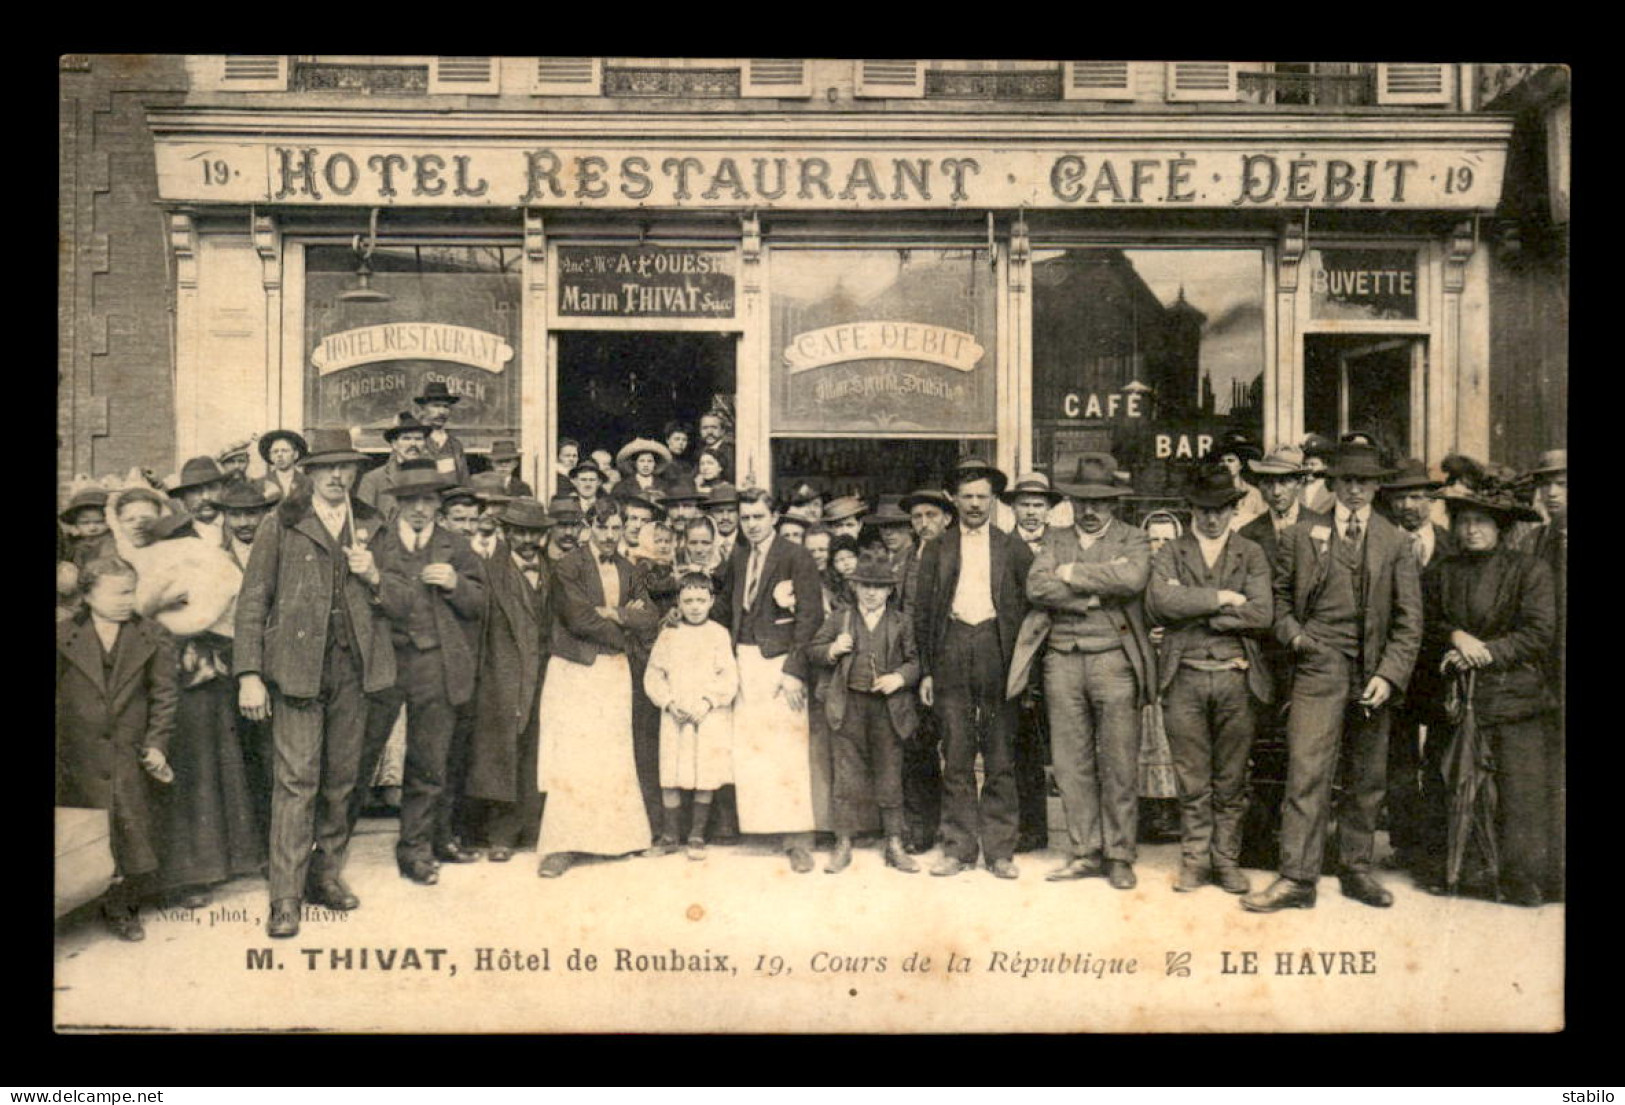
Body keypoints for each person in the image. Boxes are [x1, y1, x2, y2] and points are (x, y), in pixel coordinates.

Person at [1242, 441, 1423, 913]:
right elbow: (1277, 601)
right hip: (1317, 668)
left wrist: (1389, 674)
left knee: (1367, 777)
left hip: (1373, 674)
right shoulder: (1302, 534)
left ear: (1377, 485)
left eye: (1365, 481)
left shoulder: (1394, 541)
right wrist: (1296, 637)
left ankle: (1357, 870)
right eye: (1348, 481)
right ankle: (1297, 878)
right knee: (1306, 773)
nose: (1357, 490)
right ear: (1334, 485)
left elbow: (1410, 622)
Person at [233, 427, 397, 939]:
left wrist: (374, 578)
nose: (336, 476)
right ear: (309, 473)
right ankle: (285, 896)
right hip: (297, 670)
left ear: (355, 473)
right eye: (326, 467)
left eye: (345, 468)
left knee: (343, 782)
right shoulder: (281, 523)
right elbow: (253, 601)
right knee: (296, 781)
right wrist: (250, 674)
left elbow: (403, 601)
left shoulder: (371, 524)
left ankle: (325, 875)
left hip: (355, 669)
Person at [1418, 479, 1555, 906]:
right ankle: (1456, 869)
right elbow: (1426, 622)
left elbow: (1538, 632)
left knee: (1519, 790)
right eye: (1464, 522)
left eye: (1482, 522)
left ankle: (1519, 877)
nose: (1471, 530)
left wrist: (1485, 652)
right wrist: (1456, 636)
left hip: (1514, 695)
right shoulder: (1441, 572)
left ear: (1501, 527)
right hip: (1458, 697)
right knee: (1451, 780)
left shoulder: (1529, 571)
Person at [1023, 453, 1154, 890]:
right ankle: (1084, 850)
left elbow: (1133, 579)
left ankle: (1119, 854)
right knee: (1070, 760)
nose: (1091, 511)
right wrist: (1094, 594)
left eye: (1100, 502)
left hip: (1114, 661)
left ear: (1114, 503)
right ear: (1071, 503)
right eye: (1082, 502)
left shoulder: (1133, 540)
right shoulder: (1054, 538)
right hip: (1061, 660)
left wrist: (1073, 572)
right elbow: (1036, 586)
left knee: (1118, 759)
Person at [1145, 467, 1274, 896]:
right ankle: (1195, 860)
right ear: (1192, 509)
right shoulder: (1172, 552)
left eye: (1221, 510)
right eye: (1204, 510)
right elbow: (1161, 602)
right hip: (1184, 678)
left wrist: (1194, 611)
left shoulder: (1251, 553)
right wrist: (1222, 598)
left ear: (1234, 509)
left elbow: (1261, 614)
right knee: (1192, 776)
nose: (1212, 518)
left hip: (1237, 677)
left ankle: (1227, 860)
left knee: (1231, 778)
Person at [913, 458, 1032, 879]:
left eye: (983, 496)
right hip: (951, 648)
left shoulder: (1012, 547)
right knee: (957, 753)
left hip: (997, 651)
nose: (976, 504)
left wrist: (1021, 668)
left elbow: (1028, 611)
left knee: (1000, 753)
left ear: (994, 499)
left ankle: (999, 851)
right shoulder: (937, 548)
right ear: (954, 500)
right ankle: (958, 848)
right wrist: (926, 670)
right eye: (968, 496)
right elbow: (923, 613)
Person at [370, 463, 488, 884]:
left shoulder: (456, 546)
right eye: (409, 500)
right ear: (397, 503)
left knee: (428, 759)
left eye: (427, 500)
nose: (419, 509)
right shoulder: (377, 543)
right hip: (382, 660)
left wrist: (457, 583)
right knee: (360, 755)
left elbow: (480, 604)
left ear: (439, 503)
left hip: (434, 662)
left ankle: (416, 849)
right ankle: (325, 857)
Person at [57, 556, 178, 941]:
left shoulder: (152, 635)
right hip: (75, 753)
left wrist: (157, 744)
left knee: (128, 827)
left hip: (129, 749)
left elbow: (164, 696)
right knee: (83, 828)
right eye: (118, 592)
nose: (128, 600)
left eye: (131, 591)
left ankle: (122, 904)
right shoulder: (63, 636)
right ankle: (83, 899)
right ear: (89, 594)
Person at [536, 499, 658, 877]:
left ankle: (614, 839)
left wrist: (618, 613)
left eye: (615, 528)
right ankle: (561, 847)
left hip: (614, 672)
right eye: (602, 527)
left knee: (612, 753)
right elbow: (579, 619)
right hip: (576, 668)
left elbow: (650, 615)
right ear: (589, 526)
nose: (608, 536)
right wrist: (624, 629)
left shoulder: (628, 567)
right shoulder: (567, 567)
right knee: (573, 756)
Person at [728, 488, 827, 872]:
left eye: (757, 517)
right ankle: (763, 828)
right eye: (745, 518)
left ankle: (797, 837)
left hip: (781, 662)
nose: (751, 524)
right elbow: (727, 605)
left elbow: (811, 617)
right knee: (754, 747)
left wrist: (794, 670)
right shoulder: (739, 556)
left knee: (788, 747)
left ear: (774, 517)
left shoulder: (795, 555)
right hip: (745, 658)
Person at [808, 550, 922, 874]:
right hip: (848, 705)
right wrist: (832, 649)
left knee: (890, 774)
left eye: (879, 586)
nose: (871, 592)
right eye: (865, 585)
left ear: (890, 590)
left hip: (887, 709)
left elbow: (915, 661)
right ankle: (843, 843)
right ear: (855, 587)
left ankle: (895, 843)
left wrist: (898, 677)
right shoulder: (840, 619)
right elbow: (812, 650)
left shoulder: (902, 622)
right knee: (846, 776)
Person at [1379, 457, 1457, 875]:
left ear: (1431, 499)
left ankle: (1439, 844)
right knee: (1399, 758)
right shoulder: (1382, 544)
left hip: (1440, 669)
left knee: (1442, 755)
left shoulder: (1451, 545)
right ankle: (1406, 844)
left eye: (1416, 496)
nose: (1409, 505)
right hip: (1397, 669)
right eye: (1400, 497)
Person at [465, 497, 553, 862]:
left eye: (533, 533)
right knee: (500, 752)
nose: (527, 541)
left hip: (544, 674)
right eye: (519, 533)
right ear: (505, 533)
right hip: (502, 674)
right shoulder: (488, 571)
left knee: (535, 750)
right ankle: (499, 835)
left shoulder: (553, 570)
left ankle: (529, 829)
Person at [642, 571, 740, 860]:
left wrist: (708, 702)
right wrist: (668, 702)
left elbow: (729, 677)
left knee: (704, 773)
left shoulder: (719, 634)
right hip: (676, 714)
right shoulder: (669, 634)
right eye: (688, 601)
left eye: (700, 600)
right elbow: (654, 674)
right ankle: (671, 835)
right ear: (679, 603)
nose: (695, 606)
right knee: (671, 773)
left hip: (706, 715)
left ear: (711, 601)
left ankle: (697, 835)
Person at [999, 473, 1063, 853]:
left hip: (1060, 650)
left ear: (1049, 509)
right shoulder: (1003, 548)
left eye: (1039, 505)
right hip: (1019, 655)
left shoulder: (1063, 543)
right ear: (1013, 508)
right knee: (1021, 745)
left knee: (1067, 745)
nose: (1032, 512)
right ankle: (1030, 826)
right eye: (1025, 504)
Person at [215, 482, 278, 841]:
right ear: (224, 517)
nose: (243, 522)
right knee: (235, 760)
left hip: (271, 668)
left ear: (265, 514)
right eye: (235, 514)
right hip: (226, 669)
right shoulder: (213, 557)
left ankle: (274, 845)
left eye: (251, 513)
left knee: (270, 757)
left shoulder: (279, 551)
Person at [896, 487, 954, 854]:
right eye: (917, 518)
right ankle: (922, 828)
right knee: (917, 747)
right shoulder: (906, 556)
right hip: (912, 664)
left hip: (946, 662)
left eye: (931, 516)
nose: (923, 524)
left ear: (948, 518)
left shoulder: (956, 552)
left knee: (957, 749)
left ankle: (955, 829)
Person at [1524, 448, 1566, 900]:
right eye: (1547, 485)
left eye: (1562, 484)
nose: (1552, 494)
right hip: (1546, 674)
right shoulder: (1536, 541)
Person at [357, 411, 433, 511]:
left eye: (418, 439)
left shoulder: (433, 477)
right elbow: (364, 519)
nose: (413, 444)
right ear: (394, 444)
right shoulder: (373, 480)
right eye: (406, 438)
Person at [414, 380, 470, 488]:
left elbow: (464, 482)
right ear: (422, 408)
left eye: (446, 407)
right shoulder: (410, 440)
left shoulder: (455, 445)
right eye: (436, 406)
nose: (442, 412)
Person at [167, 456, 231, 549]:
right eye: (195, 490)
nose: (206, 497)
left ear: (223, 491)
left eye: (212, 488)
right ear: (183, 499)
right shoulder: (175, 538)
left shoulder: (239, 527)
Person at [1215, 433, 1269, 530]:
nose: (1225, 465)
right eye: (1222, 461)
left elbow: (1264, 524)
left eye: (1230, 460)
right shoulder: (1212, 492)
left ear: (1240, 465)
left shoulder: (1254, 494)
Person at [466, 472, 512, 559]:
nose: (489, 512)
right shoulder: (457, 543)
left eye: (495, 504)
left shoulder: (512, 544)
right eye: (482, 505)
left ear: (504, 507)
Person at [614, 438, 672, 505]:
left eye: (650, 461)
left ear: (655, 464)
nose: (646, 465)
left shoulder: (664, 485)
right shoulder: (622, 486)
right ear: (635, 463)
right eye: (642, 461)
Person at [259, 430, 310, 504]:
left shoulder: (307, 483)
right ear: (270, 457)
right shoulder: (260, 483)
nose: (279, 455)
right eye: (275, 451)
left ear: (295, 455)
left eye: (285, 451)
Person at [703, 484, 742, 564]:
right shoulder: (702, 543)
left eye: (731, 511)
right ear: (710, 514)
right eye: (719, 511)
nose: (725, 517)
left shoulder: (748, 543)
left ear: (739, 513)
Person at [1299, 433, 1337, 515]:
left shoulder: (1333, 491)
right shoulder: (1297, 489)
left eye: (1313, 464)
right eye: (1305, 464)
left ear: (1324, 466)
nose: (1308, 468)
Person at [658, 421, 696, 494]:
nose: (681, 443)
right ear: (668, 440)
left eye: (684, 440)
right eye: (677, 439)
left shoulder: (688, 465)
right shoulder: (660, 462)